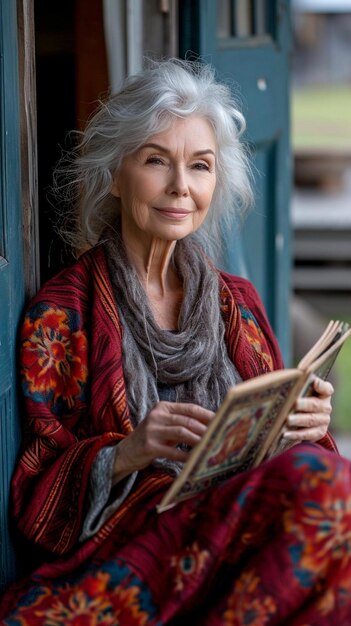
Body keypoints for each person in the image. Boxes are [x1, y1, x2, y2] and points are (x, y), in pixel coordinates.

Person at [1, 58, 350, 626]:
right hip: (136, 547)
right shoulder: (64, 312)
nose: (181, 187)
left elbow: (279, 459)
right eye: (156, 161)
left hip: (232, 531)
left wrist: (303, 426)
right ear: (115, 175)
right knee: (327, 490)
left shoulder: (237, 303)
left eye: (201, 166)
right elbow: (37, 492)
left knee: (331, 503)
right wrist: (126, 452)